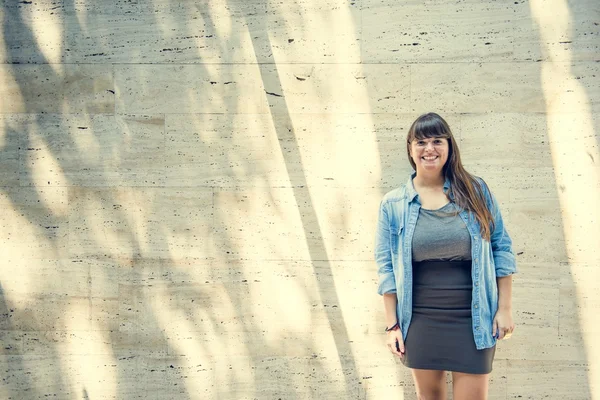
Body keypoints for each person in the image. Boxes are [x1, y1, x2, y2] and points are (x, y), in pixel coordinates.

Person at [375, 112, 516, 399]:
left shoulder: (476, 191)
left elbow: (501, 248)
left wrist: (505, 309)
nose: (429, 149)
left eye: (437, 140)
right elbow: (386, 268)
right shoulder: (393, 204)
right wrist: (392, 325)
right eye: (421, 142)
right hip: (420, 318)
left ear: (449, 147)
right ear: (410, 149)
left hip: (474, 316)